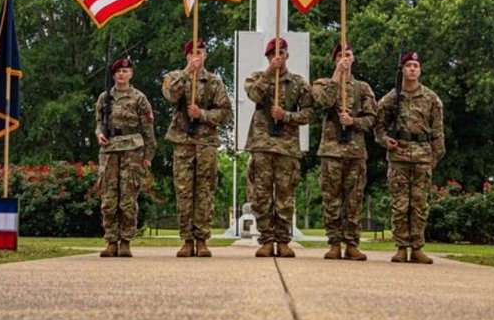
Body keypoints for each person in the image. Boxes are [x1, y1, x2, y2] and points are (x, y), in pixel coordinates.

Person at [162, 39, 232, 257]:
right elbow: (170, 96)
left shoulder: (214, 82)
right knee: (184, 191)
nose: (196, 56)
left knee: (204, 190)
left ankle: (201, 239)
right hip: (183, 142)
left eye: (200, 52)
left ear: (206, 55)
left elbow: (225, 113)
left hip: (206, 143)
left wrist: (202, 114)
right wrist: (186, 72)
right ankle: (187, 239)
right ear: (186, 56)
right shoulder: (175, 77)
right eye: (192, 53)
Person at [244, 37, 313, 258]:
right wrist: (268, 73)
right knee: (261, 195)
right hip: (262, 145)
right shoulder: (256, 77)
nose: (277, 57)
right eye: (273, 54)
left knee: (285, 195)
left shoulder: (299, 83)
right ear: (267, 57)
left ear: (287, 55)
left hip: (287, 147)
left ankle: (283, 240)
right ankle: (266, 239)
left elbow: (309, 113)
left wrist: (287, 116)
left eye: (281, 53)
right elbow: (254, 95)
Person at [374, 51, 444, 265]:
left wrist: (434, 157)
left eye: (415, 65)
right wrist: (386, 141)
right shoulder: (391, 98)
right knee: (400, 204)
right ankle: (401, 247)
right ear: (402, 70)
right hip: (399, 157)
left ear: (420, 70)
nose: (412, 69)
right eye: (408, 66)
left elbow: (438, 132)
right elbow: (378, 127)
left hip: (422, 157)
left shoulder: (431, 98)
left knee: (420, 205)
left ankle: (417, 248)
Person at [311, 42, 377, 260]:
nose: (344, 58)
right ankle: (334, 243)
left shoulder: (363, 88)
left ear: (354, 57)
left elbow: (371, 120)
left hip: (355, 152)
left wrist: (353, 121)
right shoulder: (323, 83)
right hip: (331, 151)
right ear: (334, 60)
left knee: (354, 200)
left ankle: (351, 244)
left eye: (348, 54)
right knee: (331, 200)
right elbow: (323, 101)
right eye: (340, 55)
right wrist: (337, 74)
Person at [95, 57, 155, 258]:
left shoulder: (139, 98)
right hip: (110, 149)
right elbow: (98, 122)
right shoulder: (105, 98)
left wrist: (148, 156)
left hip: (132, 149)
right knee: (109, 198)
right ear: (113, 75)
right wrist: (99, 134)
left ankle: (126, 241)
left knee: (128, 197)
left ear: (131, 74)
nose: (121, 74)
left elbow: (148, 130)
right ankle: (111, 240)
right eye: (118, 71)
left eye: (125, 71)